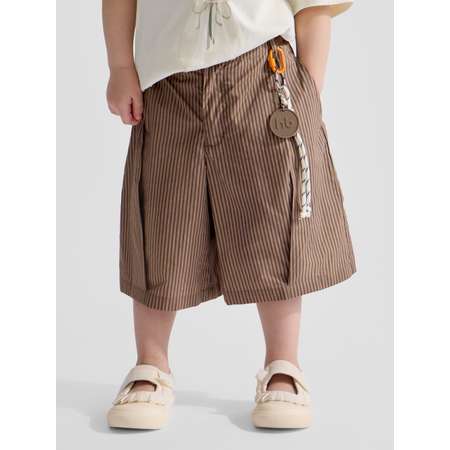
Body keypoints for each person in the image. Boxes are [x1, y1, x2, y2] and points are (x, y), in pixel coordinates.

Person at [102, 0, 356, 430]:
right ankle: (151, 364)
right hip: (166, 81)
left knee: (273, 219)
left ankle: (283, 365)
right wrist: (120, 65)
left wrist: (310, 92)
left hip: (262, 74)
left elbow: (313, 7)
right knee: (160, 220)